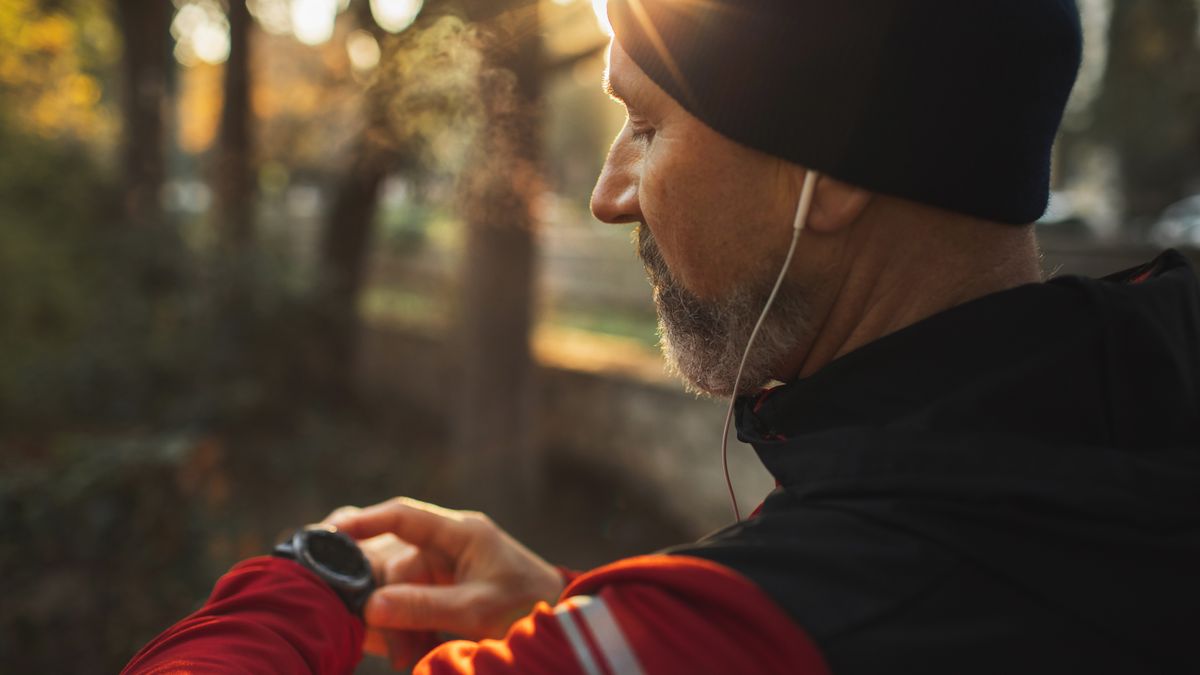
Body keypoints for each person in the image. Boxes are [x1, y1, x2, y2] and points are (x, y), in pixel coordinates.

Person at [124, 0, 1200, 673]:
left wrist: (312, 578)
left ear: (823, 179)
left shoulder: (773, 619)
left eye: (645, 128)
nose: (609, 194)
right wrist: (575, 614)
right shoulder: (1140, 423)